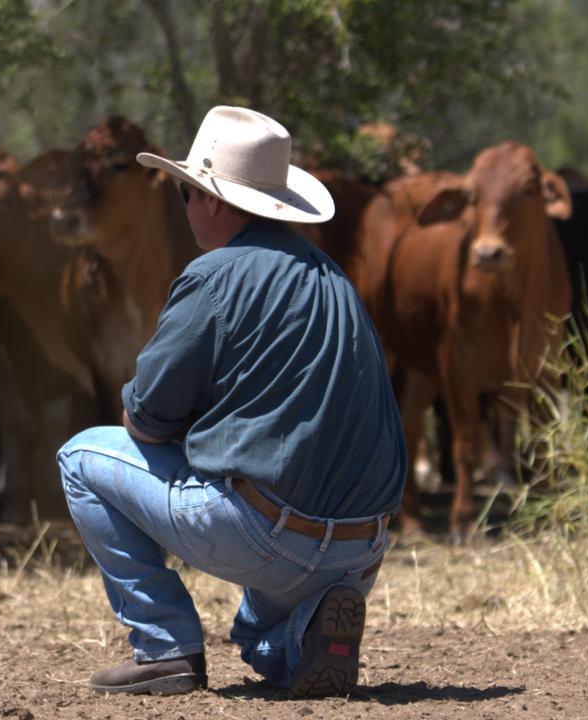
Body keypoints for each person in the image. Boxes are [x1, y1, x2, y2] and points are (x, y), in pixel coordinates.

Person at [57, 106, 406, 698]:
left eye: (189, 190)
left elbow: (143, 422)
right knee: (253, 635)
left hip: (268, 535)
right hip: (362, 548)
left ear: (214, 201)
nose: (185, 204)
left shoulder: (212, 277)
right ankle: (302, 639)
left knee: (80, 457)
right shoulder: (333, 279)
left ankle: (164, 647)